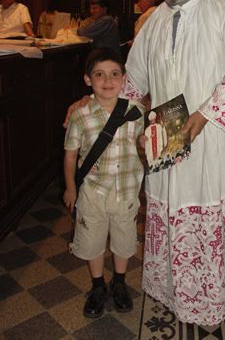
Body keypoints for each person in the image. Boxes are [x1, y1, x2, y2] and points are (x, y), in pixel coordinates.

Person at [65, 0, 225, 326]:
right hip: (168, 137)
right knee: (173, 206)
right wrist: (90, 103)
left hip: (216, 139)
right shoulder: (153, 21)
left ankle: (215, 293)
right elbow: (133, 81)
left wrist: (205, 115)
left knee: (210, 203)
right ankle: (177, 288)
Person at [63, 47, 144, 319]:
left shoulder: (136, 112)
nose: (107, 81)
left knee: (123, 239)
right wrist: (71, 188)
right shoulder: (81, 114)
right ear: (88, 80)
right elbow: (71, 154)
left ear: (124, 79)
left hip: (127, 190)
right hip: (92, 193)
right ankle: (98, 285)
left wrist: (148, 142)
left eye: (114, 74)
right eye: (99, 75)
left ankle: (119, 282)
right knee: (92, 239)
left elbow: (145, 142)